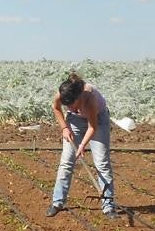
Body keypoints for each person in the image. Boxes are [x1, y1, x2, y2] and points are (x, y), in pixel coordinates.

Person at [48, 71, 117, 218]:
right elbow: (55, 107)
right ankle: (57, 202)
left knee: (102, 163)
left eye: (72, 105)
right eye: (68, 106)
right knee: (66, 161)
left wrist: (82, 145)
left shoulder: (90, 99)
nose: (70, 108)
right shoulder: (63, 94)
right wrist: (65, 128)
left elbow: (93, 127)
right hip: (75, 121)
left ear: (78, 97)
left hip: (98, 120)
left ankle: (108, 205)